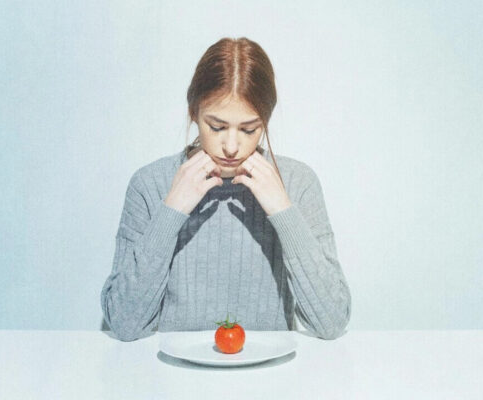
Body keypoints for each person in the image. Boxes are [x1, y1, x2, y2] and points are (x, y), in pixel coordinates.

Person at [100, 37, 351, 341]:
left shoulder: (298, 182)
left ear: (266, 121)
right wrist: (171, 211)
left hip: (273, 369)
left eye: (249, 129)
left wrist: (283, 212)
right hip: (172, 369)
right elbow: (124, 324)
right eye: (217, 127)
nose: (231, 147)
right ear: (194, 112)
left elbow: (332, 322)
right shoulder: (150, 184)